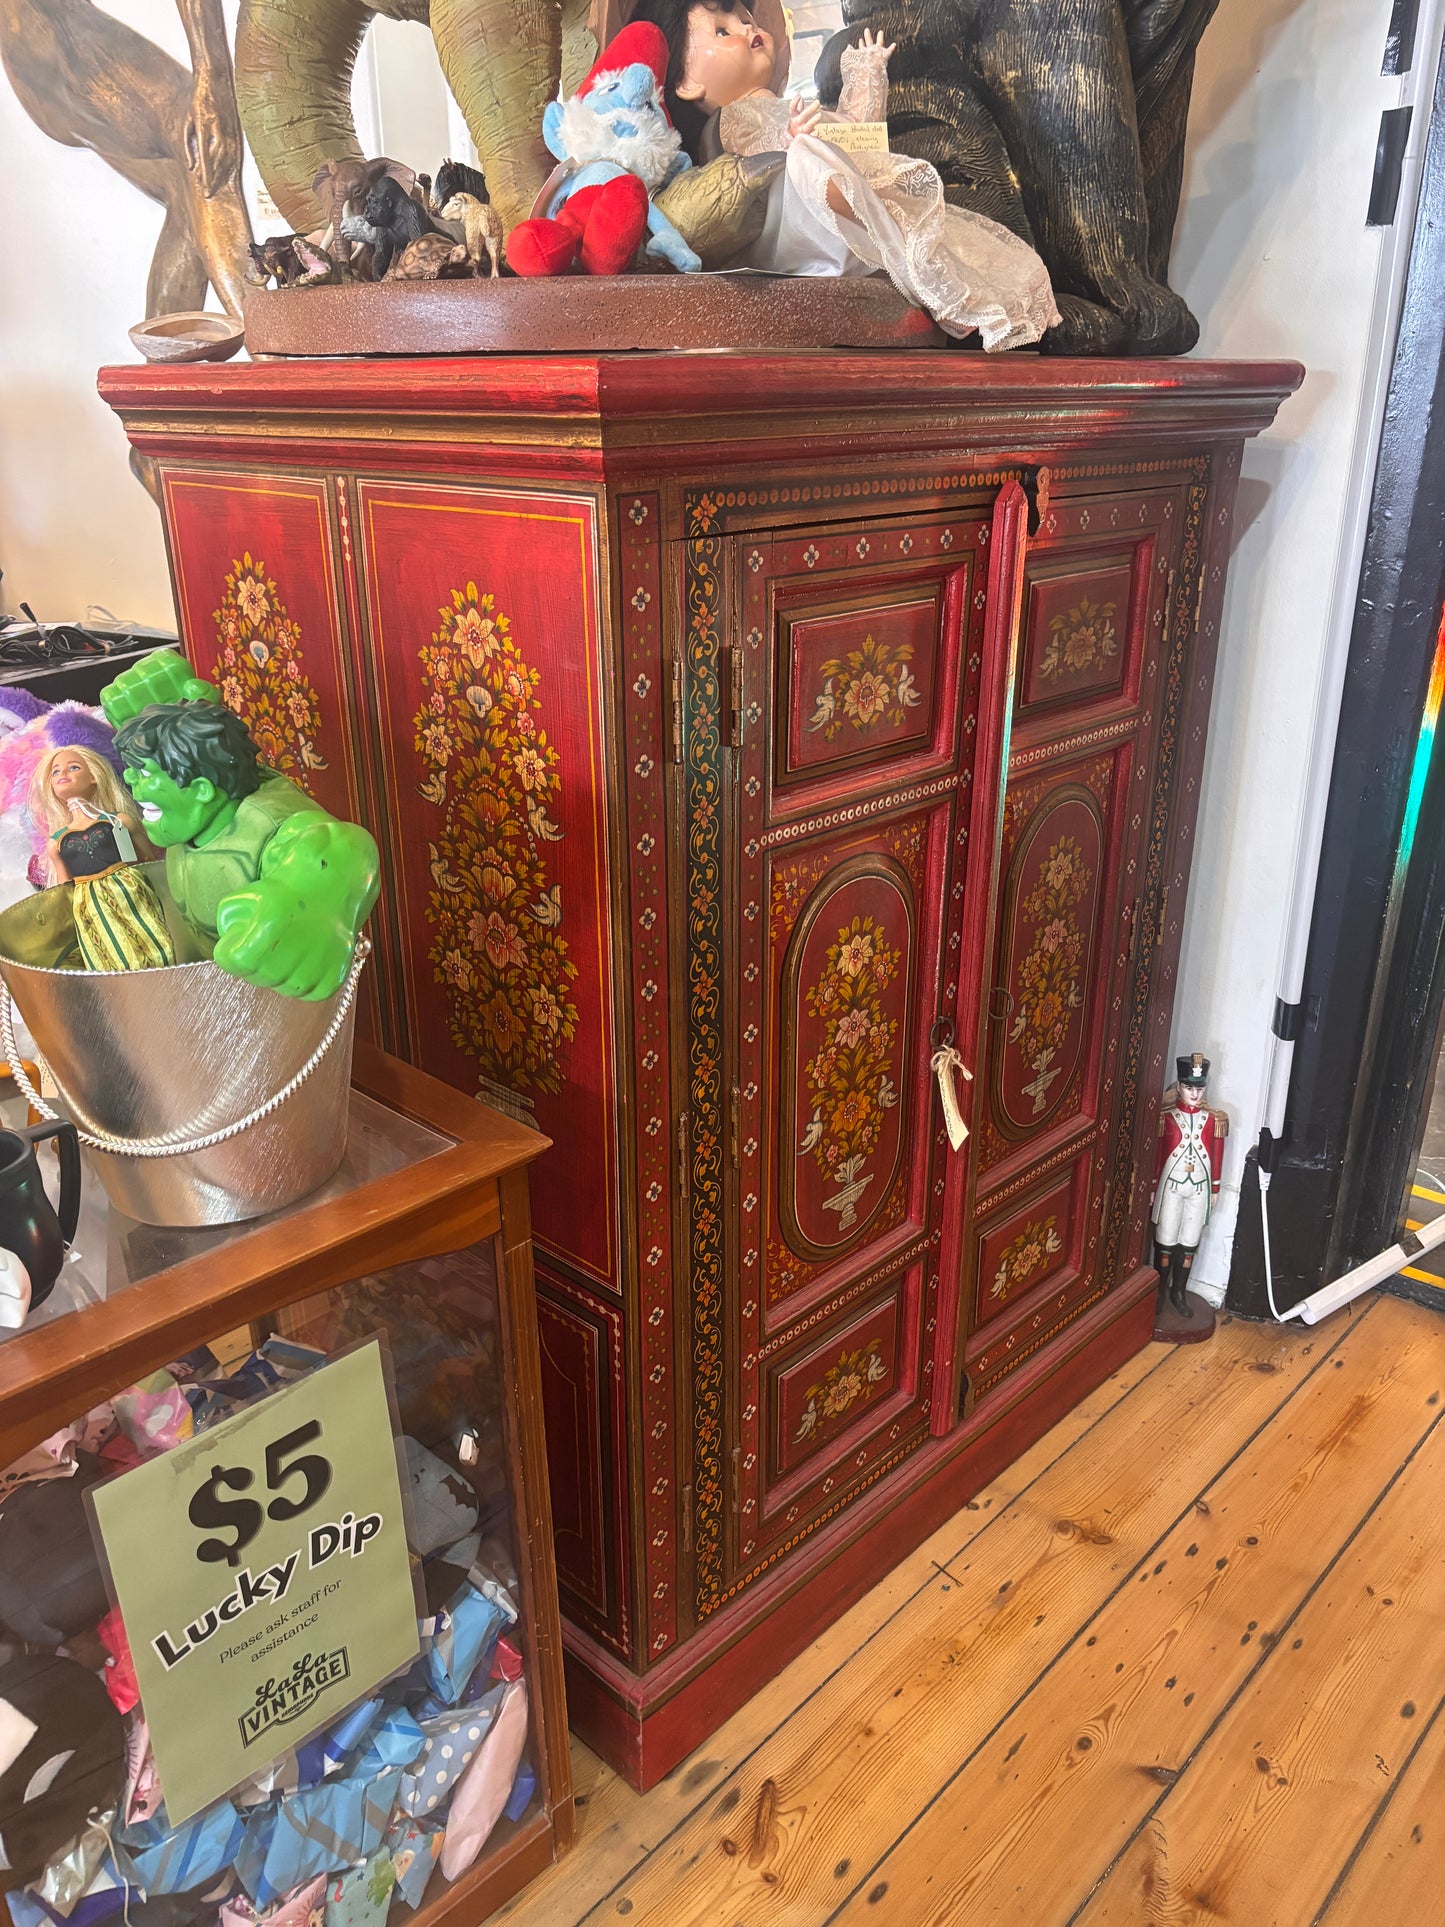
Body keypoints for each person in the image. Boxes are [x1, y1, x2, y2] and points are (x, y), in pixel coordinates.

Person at [629, 0, 1059, 349]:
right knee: (806, 154)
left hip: (842, 210)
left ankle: (879, 223)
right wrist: (790, 136)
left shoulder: (793, 108)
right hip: (790, 224)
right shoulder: (727, 119)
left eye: (744, 19)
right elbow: (755, 156)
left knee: (830, 150)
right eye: (722, 31)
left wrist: (866, 74)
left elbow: (860, 138)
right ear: (685, 84)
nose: (745, 29)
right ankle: (870, 214)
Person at [27, 745, 175, 972]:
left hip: (128, 891)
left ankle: (164, 975)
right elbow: (65, 888)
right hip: (89, 904)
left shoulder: (119, 822)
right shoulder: (57, 842)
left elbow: (147, 862)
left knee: (149, 936)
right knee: (106, 951)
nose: (62, 775)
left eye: (73, 767)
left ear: (94, 776)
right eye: (55, 772)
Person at [1151, 1053, 1227, 1317]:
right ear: (1180, 1087)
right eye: (1188, 1087)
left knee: (1190, 1241)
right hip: (1171, 1186)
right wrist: (1152, 1187)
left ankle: (1178, 1291)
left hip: (1198, 1188)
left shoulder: (1213, 1119)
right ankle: (1160, 1290)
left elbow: (1216, 1155)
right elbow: (1158, 1154)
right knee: (1166, 1238)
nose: (1194, 1094)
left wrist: (1215, 1187)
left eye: (1199, 1088)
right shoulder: (1167, 1117)